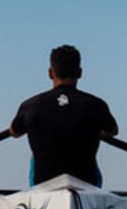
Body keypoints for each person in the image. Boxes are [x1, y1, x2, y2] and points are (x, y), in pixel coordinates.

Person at [9, 45, 119, 186]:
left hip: (43, 184)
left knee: (35, 156)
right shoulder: (96, 105)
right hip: (86, 183)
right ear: (80, 72)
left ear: (50, 73)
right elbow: (112, 131)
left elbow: (14, 132)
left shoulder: (30, 106)